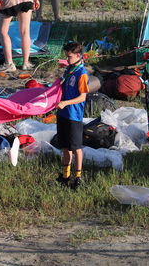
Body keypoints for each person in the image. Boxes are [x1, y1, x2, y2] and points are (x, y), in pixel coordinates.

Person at [55, 41, 89, 191]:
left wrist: (66, 103)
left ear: (78, 55)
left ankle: (78, 177)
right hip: (63, 113)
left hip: (73, 115)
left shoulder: (81, 74)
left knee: (76, 147)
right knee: (65, 146)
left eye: (69, 57)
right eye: (66, 56)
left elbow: (83, 97)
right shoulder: (69, 69)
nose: (67, 59)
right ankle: (65, 176)